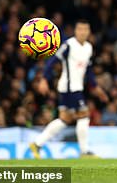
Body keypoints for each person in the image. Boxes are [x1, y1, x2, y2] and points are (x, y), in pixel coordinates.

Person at [29, 19, 108, 159]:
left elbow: (88, 70)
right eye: (80, 29)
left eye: (85, 30)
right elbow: (52, 61)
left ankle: (37, 144)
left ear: (89, 32)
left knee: (65, 119)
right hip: (69, 88)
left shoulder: (88, 48)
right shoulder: (69, 45)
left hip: (75, 88)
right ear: (76, 31)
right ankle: (84, 151)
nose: (83, 32)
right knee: (84, 116)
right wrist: (44, 79)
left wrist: (96, 87)